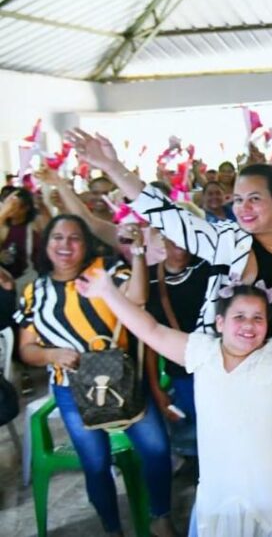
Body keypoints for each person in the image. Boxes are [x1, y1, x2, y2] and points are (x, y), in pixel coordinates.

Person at [70, 129, 272, 523]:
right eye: (238, 199)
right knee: (259, 458)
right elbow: (172, 218)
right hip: (240, 366)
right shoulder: (228, 240)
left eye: (255, 198)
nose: (243, 207)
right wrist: (112, 166)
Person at [76, 268, 272, 537]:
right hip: (222, 490)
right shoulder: (201, 352)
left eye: (257, 318)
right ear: (219, 323)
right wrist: (108, 292)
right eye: (239, 317)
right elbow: (151, 329)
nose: (248, 325)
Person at [15, 215, 175, 537]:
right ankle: (112, 529)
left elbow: (139, 298)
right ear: (46, 245)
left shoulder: (106, 272)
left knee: (157, 451)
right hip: (71, 391)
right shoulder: (36, 292)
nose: (65, 245)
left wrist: (139, 252)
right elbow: (26, 349)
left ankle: (160, 515)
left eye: (74, 238)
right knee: (96, 465)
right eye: (57, 238)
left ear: (86, 244)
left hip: (125, 384)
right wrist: (51, 355)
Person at [143, 212, 214, 455]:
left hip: (217, 362)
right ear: (161, 239)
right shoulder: (151, 280)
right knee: (201, 430)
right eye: (173, 240)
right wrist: (156, 388)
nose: (181, 248)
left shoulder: (207, 266)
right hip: (183, 372)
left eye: (186, 239)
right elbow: (150, 342)